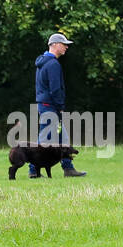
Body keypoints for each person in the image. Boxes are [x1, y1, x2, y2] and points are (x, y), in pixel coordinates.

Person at [30, 32, 87, 178]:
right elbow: (55, 88)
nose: (66, 47)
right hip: (51, 105)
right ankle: (33, 169)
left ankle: (68, 168)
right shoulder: (53, 64)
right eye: (64, 44)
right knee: (44, 140)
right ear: (54, 45)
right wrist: (60, 106)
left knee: (63, 138)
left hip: (45, 104)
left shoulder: (42, 63)